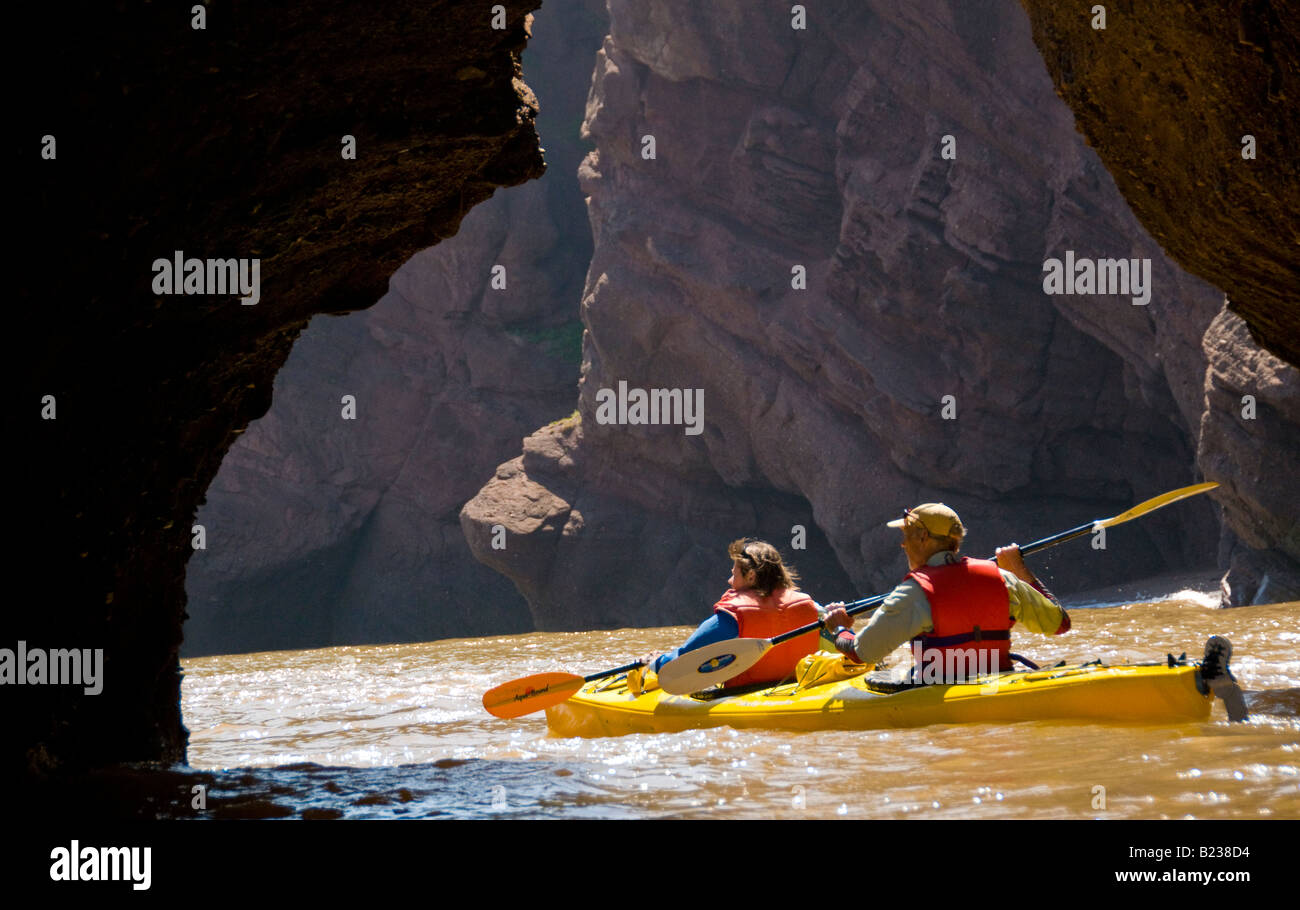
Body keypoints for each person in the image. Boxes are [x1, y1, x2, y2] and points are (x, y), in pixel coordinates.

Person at [821, 503, 1070, 684]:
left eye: (906, 536)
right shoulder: (1004, 579)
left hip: (939, 692)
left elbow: (863, 653)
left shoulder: (913, 592)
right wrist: (1019, 569)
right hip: (1001, 683)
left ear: (923, 537)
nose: (903, 544)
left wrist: (839, 628)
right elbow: (1060, 624)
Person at [643, 538, 820, 689]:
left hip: (746, 695)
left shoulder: (733, 616)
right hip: (798, 687)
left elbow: (680, 662)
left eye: (734, 575)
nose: (729, 581)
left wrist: (656, 661)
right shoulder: (810, 606)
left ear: (751, 576)